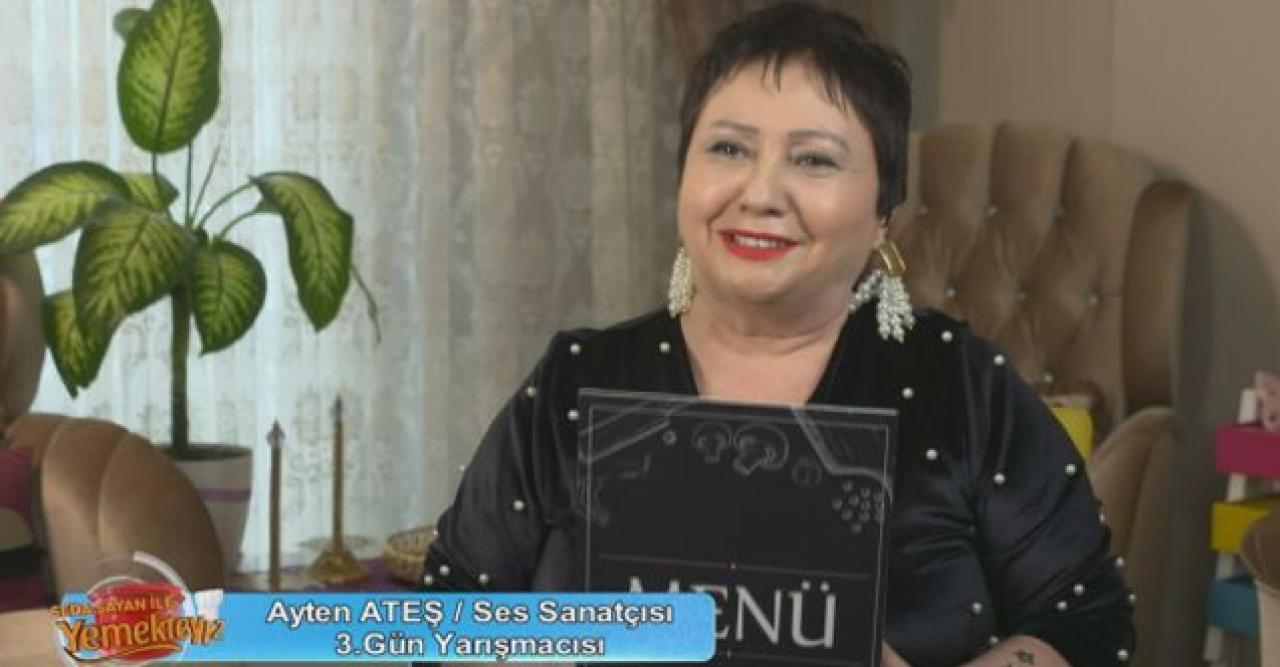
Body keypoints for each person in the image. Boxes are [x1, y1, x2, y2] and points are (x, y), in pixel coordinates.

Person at [421, 3, 1134, 665]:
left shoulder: (961, 385)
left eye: (814, 158)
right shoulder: (575, 382)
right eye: (728, 149)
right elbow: (446, 614)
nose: (759, 194)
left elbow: (1088, 618)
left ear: (882, 213)